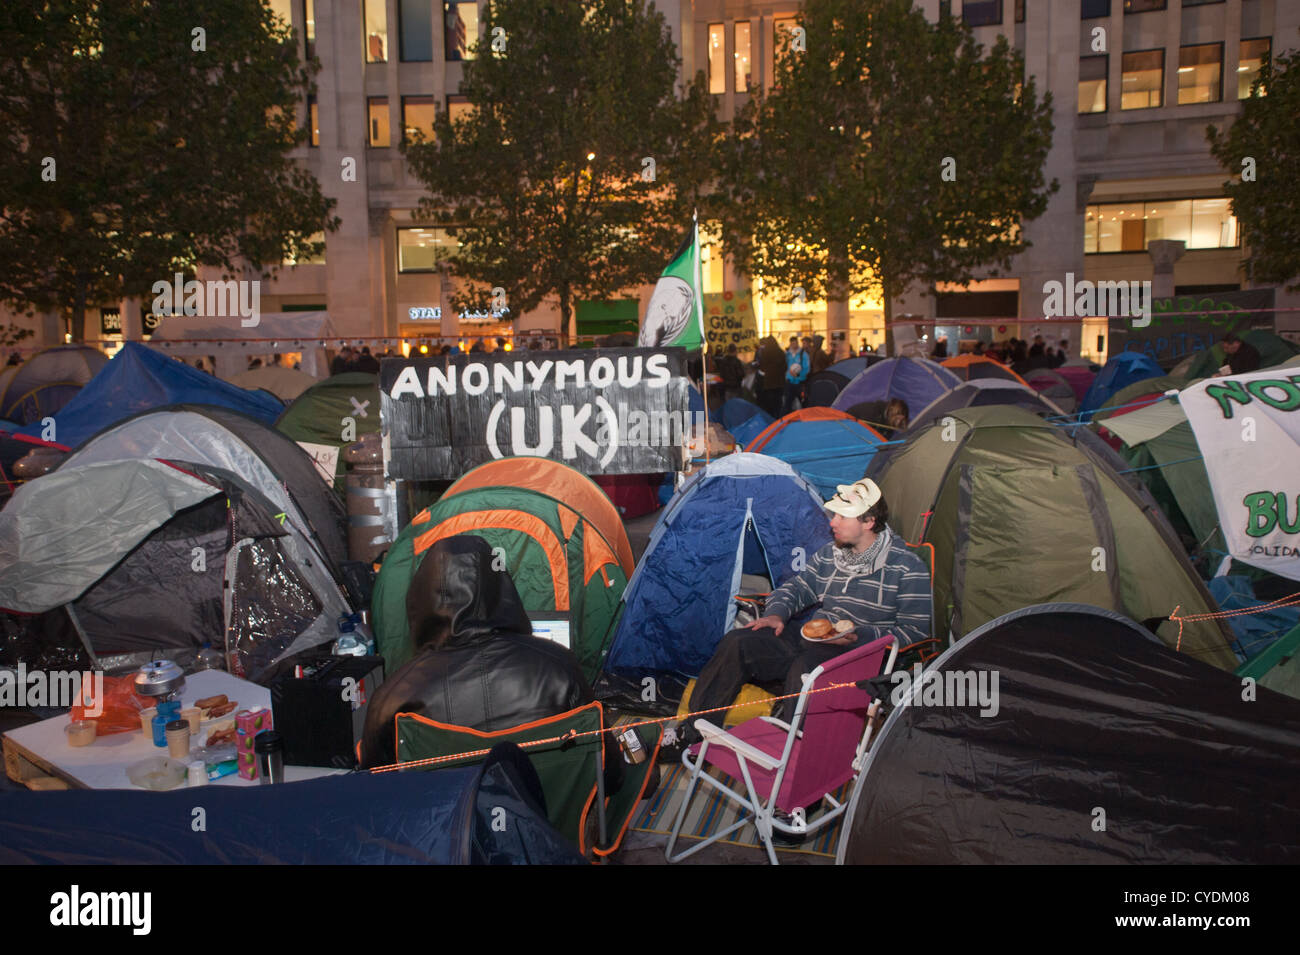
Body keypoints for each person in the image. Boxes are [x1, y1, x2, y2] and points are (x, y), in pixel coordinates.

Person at [663, 479, 932, 755]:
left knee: (806, 668)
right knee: (739, 642)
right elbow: (799, 587)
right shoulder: (833, 554)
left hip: (861, 656)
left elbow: (916, 632)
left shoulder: (907, 567)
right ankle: (698, 731)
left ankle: (791, 756)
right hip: (814, 637)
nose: (833, 523)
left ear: (868, 522)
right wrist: (777, 614)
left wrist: (860, 637)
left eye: (842, 516)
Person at [359, 535, 623, 796]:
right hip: (549, 833)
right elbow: (609, 776)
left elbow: (376, 797)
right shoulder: (560, 666)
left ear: (420, 600)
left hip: (445, 837)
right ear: (502, 590)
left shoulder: (393, 696)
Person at [757, 336, 786, 418]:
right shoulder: (780, 352)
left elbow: (762, 366)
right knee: (778, 403)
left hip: (768, 383)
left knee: (769, 403)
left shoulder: (765, 353)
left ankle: (771, 419)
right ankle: (778, 418)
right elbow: (785, 367)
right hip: (779, 382)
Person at [782, 336, 810, 415]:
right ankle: (785, 420)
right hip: (790, 381)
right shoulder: (787, 354)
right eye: (792, 343)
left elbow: (807, 367)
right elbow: (785, 366)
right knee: (787, 404)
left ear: (797, 343)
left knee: (804, 402)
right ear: (790, 344)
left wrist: (798, 375)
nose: (794, 345)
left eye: (795, 343)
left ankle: (807, 417)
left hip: (800, 382)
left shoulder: (803, 354)